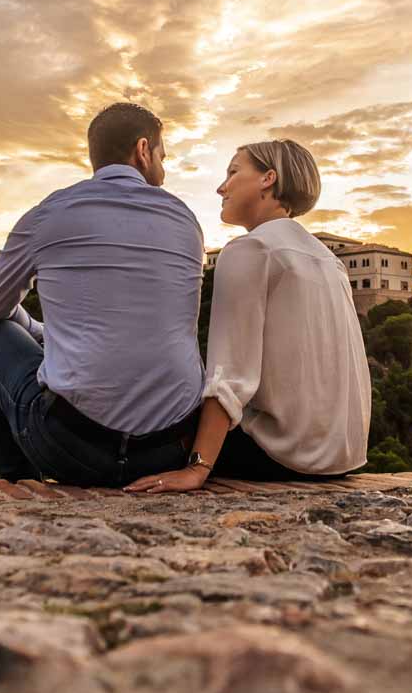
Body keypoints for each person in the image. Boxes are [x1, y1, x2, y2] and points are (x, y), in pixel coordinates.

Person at [0, 102, 205, 486]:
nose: (163, 166)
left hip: (71, 450)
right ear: (143, 150)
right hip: (170, 451)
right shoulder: (185, 220)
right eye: (163, 155)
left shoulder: (50, 212)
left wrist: (36, 329)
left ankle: (18, 481)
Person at [126, 139, 371, 494]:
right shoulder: (327, 260)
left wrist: (198, 468)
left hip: (281, 456)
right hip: (340, 457)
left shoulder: (251, 249)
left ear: (268, 179)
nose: (221, 186)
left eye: (233, 172)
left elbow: (229, 374)